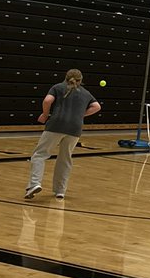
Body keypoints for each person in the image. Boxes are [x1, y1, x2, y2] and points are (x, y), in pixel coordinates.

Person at [25, 69, 101, 201]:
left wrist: (44, 114)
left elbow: (48, 100)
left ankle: (34, 184)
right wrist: (80, 115)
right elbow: (97, 106)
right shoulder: (86, 93)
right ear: (81, 80)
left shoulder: (58, 87)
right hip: (75, 128)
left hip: (56, 125)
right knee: (65, 159)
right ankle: (60, 191)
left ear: (65, 77)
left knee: (40, 154)